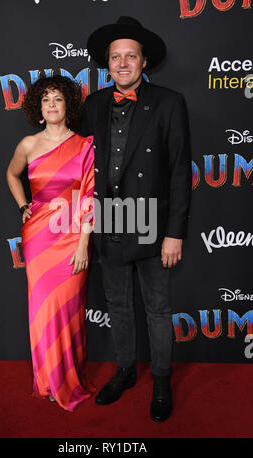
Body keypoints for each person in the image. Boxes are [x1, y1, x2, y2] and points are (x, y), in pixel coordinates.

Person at [79, 17, 191, 421]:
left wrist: (174, 234)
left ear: (144, 61)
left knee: (158, 308)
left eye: (130, 56)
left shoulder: (169, 102)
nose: (122, 63)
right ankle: (125, 370)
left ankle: (161, 379)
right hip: (109, 220)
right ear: (106, 64)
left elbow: (180, 171)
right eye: (115, 57)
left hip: (152, 222)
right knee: (118, 304)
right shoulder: (92, 105)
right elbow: (75, 161)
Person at [6, 75, 95, 412]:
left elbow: (89, 197)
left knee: (70, 310)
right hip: (39, 235)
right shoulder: (28, 145)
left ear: (68, 105)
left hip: (74, 234)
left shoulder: (86, 145)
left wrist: (84, 244)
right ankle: (46, 380)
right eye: (46, 100)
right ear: (38, 108)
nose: (52, 105)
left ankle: (68, 378)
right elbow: (11, 174)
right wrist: (23, 205)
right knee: (42, 311)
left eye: (58, 99)